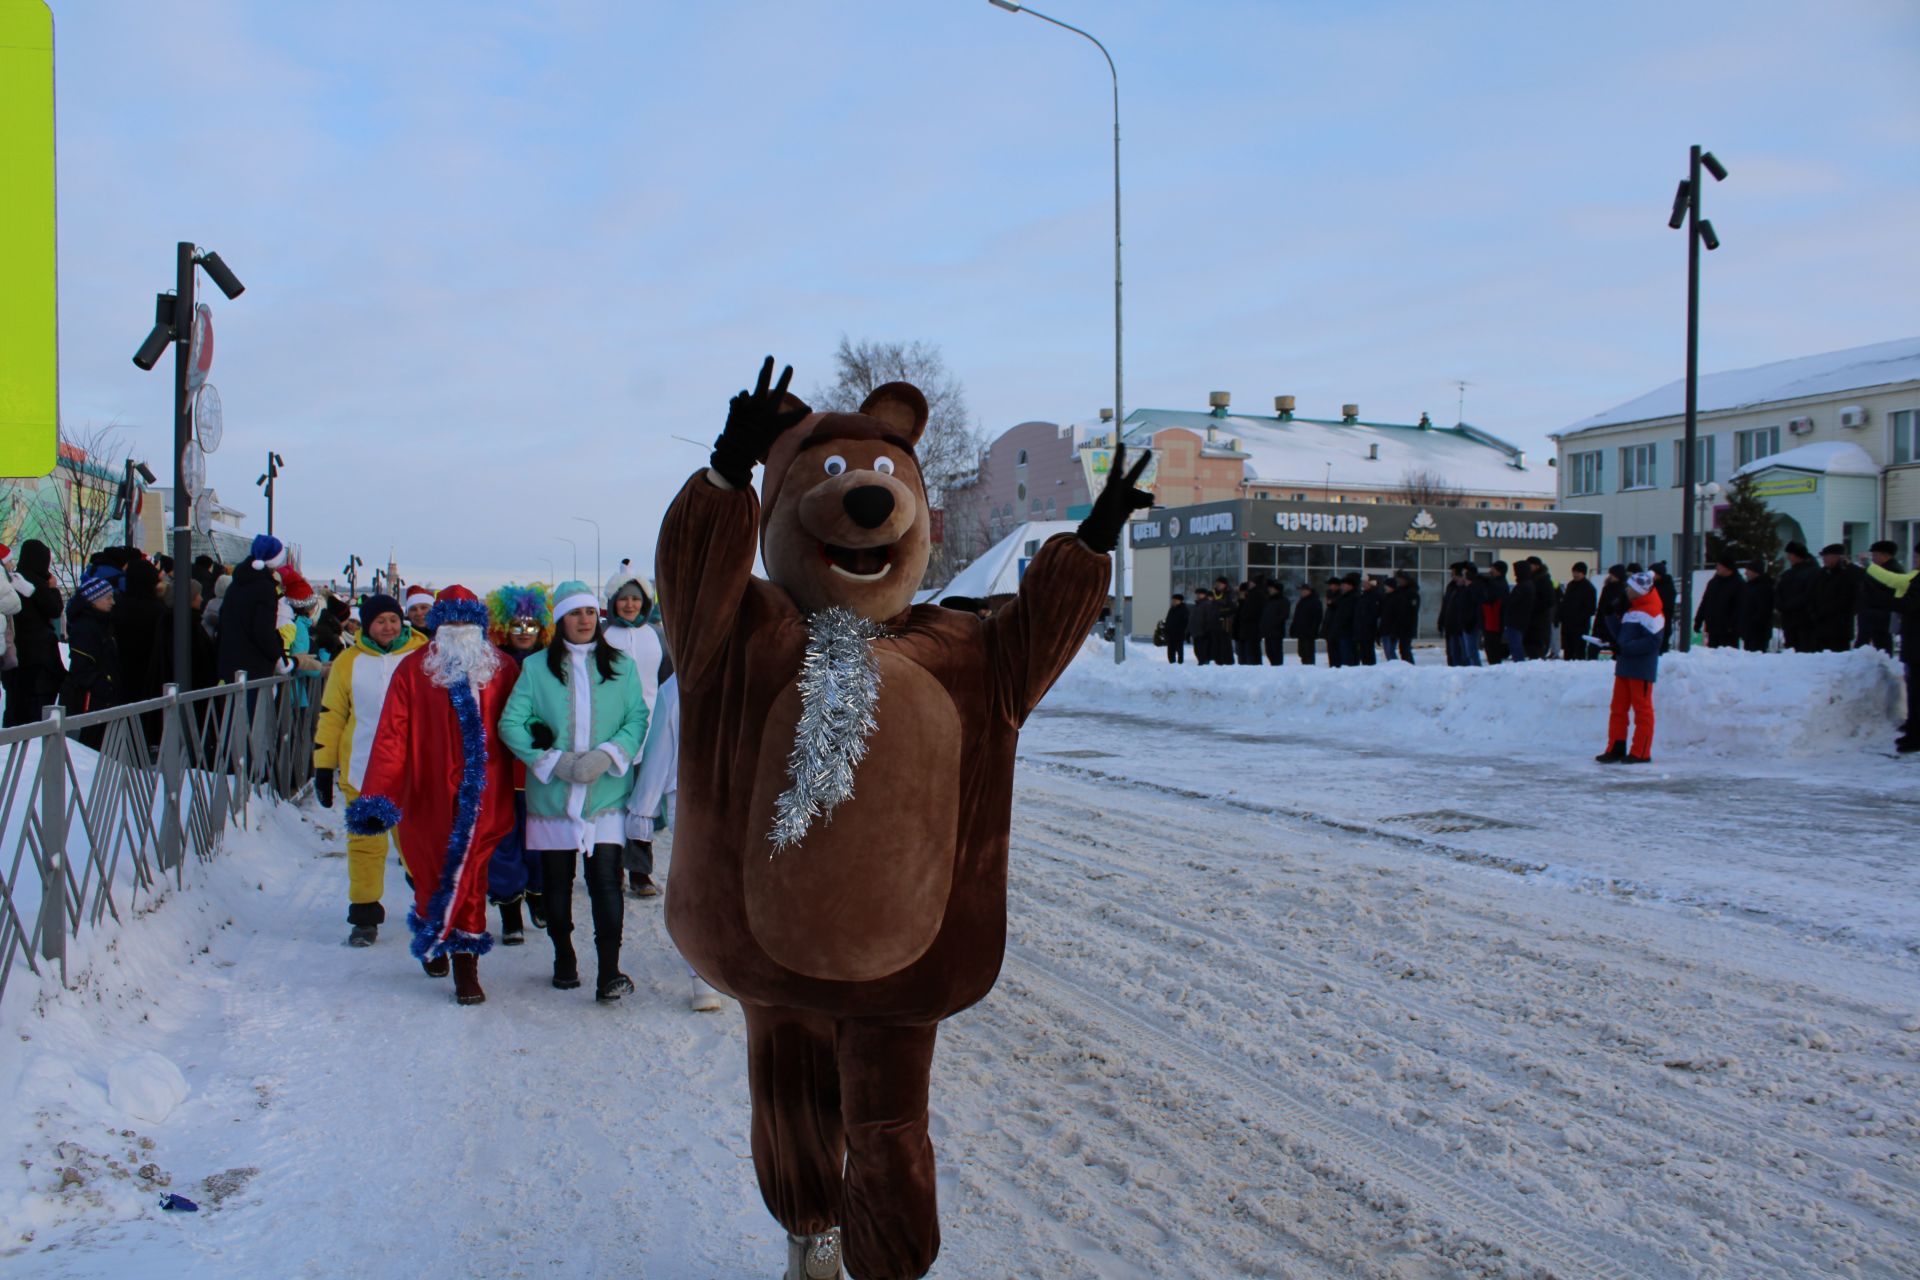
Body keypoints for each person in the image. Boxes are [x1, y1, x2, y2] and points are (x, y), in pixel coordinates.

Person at [345, 586, 522, 1005]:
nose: (459, 630)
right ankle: (433, 929)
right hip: (427, 794)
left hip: (484, 796)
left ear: (479, 625)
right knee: (429, 871)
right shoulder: (412, 670)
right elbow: (391, 735)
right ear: (438, 625)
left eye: (467, 621)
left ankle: (466, 966)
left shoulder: (502, 669)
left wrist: (534, 776)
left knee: (473, 876)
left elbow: (520, 724)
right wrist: (379, 796)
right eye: (451, 622)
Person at [498, 580, 651, 1003]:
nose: (583, 620)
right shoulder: (536, 669)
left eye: (588, 612)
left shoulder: (621, 665)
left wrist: (608, 754)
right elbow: (511, 724)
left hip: (605, 794)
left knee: (606, 881)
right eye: (573, 614)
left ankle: (609, 971)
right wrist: (554, 761)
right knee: (558, 883)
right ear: (560, 620)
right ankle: (564, 957)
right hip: (553, 796)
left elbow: (637, 718)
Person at [313, 593, 428, 947]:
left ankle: (428, 906)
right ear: (367, 624)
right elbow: (333, 715)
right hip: (363, 769)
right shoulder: (349, 662)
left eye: (393, 619)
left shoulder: (422, 655)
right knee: (365, 845)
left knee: (418, 843)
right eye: (380, 621)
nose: (388, 627)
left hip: (413, 770)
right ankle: (364, 915)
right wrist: (323, 766)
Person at [485, 582, 554, 942]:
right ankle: (509, 908)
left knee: (540, 835)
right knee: (503, 838)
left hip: (539, 767)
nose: (524, 632)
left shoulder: (552, 662)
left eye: (531, 624)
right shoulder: (491, 665)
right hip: (498, 765)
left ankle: (539, 898)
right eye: (517, 625)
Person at [602, 562, 666, 897]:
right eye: (624, 599)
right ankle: (611, 870)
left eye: (636, 599)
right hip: (610, 735)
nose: (630, 605)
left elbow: (667, 681)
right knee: (611, 807)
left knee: (643, 803)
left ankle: (640, 871)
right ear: (613, 601)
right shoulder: (603, 637)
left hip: (651, 733)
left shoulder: (654, 637)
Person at [1596, 570, 1663, 764]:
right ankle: (1616, 747)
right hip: (1625, 666)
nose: (1626, 590)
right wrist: (1610, 616)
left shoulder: (1652, 612)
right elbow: (1620, 636)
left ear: (1639, 590)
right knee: (1618, 708)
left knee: (1642, 710)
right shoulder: (1631, 609)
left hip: (1641, 669)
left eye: (1629, 588)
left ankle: (1641, 752)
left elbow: (1653, 642)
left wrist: (1624, 647)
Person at [1861, 539, 1918, 752]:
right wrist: (1871, 568)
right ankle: (1913, 727)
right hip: (1913, 641)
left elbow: (1909, 604)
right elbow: (1894, 580)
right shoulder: (1914, 577)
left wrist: (1881, 600)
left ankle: (1915, 735)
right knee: (1913, 686)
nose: (1915, 560)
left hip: (1916, 642)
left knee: (1916, 688)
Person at [2, 540, 63, 727]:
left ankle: (12, 748)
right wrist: (53, 588)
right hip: (38, 658)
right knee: (36, 712)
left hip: (15, 654)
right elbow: (54, 609)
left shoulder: (13, 580)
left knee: (15, 705)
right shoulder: (36, 582)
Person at [60, 570, 122, 749]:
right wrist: (103, 684)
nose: (113, 602)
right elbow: (82, 667)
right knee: (88, 748)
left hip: (101, 696)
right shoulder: (85, 627)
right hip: (89, 699)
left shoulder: (101, 622)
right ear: (94, 600)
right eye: (108, 598)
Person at [216, 534, 289, 683]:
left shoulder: (235, 585)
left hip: (230, 665)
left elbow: (223, 622)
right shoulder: (265, 588)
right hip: (254, 668)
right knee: (254, 705)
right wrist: (278, 658)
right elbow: (264, 631)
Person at [1811, 544, 1858, 653]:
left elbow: (1847, 599)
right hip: (1821, 625)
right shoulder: (1821, 574)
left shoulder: (1848, 573)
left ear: (1838, 557)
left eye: (1827, 556)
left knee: (1838, 657)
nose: (1824, 559)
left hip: (1839, 627)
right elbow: (1813, 593)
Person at [1857, 541, 1901, 655]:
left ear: (1886, 555)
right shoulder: (1881, 568)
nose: (1873, 558)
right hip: (1872, 612)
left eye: (1875, 555)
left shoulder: (1892, 570)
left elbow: (1881, 590)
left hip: (1881, 613)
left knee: (1882, 645)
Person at [1693, 556, 1744, 649]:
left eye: (1719, 565)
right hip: (1713, 629)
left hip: (1729, 633)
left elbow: (1740, 608)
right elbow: (1705, 603)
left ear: (1727, 567)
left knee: (1727, 658)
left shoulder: (1738, 584)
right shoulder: (1713, 582)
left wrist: (1732, 626)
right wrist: (1698, 620)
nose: (1717, 567)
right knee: (1713, 657)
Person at [1776, 542, 1819, 653]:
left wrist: (1788, 605)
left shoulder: (1813, 572)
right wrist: (1779, 604)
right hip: (1788, 619)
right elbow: (1779, 591)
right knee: (1791, 649)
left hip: (1804, 619)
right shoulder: (1788, 574)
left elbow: (1808, 595)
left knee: (1805, 650)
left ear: (1797, 555)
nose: (1788, 558)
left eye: (1790, 554)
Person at [1559, 562, 1597, 660]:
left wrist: (1578, 618)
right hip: (1567, 625)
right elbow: (1565, 603)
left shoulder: (1589, 588)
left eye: (1577, 572)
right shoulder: (1571, 585)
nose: (1575, 574)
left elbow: (1591, 609)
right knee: (1568, 651)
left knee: (1579, 651)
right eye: (1574, 572)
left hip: (1580, 626)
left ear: (1583, 573)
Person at [1738, 560, 1776, 653]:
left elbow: (1764, 610)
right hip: (1748, 631)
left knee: (1757, 657)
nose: (1746, 573)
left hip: (1759, 632)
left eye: (1748, 570)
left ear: (1755, 572)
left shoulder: (1764, 587)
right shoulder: (1748, 587)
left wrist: (1752, 623)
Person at [1525, 557, 1558, 659]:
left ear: (1536, 566)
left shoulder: (1543, 580)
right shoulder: (1530, 579)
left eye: (1529, 565)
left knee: (1537, 650)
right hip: (1531, 620)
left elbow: (1549, 600)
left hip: (1540, 621)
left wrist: (1533, 606)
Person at [1478, 562, 1509, 663]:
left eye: (1493, 569)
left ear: (1499, 571)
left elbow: (1489, 597)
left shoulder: (1499, 585)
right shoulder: (1497, 583)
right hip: (1490, 622)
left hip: (1494, 623)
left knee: (1493, 649)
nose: (1490, 571)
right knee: (1490, 648)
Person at [1504, 562, 1534, 662]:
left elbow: (1512, 601)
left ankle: (1519, 665)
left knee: (1516, 647)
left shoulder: (1523, 586)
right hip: (1521, 620)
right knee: (1516, 646)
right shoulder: (1528, 584)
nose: (1515, 574)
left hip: (1516, 621)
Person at [1352, 574, 1382, 667]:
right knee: (1363, 651)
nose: (1363, 585)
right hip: (1361, 629)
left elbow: (1375, 614)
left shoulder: (1375, 596)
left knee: (1368, 651)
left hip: (1369, 629)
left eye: (1365, 583)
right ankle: (1365, 667)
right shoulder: (1362, 596)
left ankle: (1370, 668)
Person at [1290, 581, 1322, 665]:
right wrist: (1293, 628)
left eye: (1304, 590)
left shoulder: (1315, 602)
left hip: (1309, 632)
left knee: (1308, 653)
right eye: (1302, 590)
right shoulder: (1301, 602)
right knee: (1302, 652)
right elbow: (1296, 617)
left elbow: (1317, 618)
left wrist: (1313, 630)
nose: (1302, 592)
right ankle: (1305, 666)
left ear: (1310, 591)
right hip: (1301, 632)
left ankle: (1309, 667)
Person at [1258, 580, 1289, 665]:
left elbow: (1284, 615)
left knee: (1276, 652)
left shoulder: (1283, 600)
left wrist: (1274, 623)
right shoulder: (1269, 600)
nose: (1269, 590)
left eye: (1271, 588)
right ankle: (1273, 666)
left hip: (1276, 632)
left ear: (1276, 590)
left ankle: (1278, 668)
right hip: (1268, 631)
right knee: (1269, 652)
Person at [1649, 561, 1677, 651]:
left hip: (1661, 622)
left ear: (1659, 574)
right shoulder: (1655, 585)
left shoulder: (1665, 588)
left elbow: (1665, 607)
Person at [1188, 587, 1219, 666]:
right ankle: (1202, 664)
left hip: (1203, 633)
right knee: (1197, 651)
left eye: (1200, 594)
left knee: (1203, 652)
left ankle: (1204, 665)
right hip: (1196, 633)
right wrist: (1189, 631)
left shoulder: (1207, 604)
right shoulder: (1196, 606)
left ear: (1204, 595)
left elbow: (1209, 619)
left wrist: (1207, 630)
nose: (1198, 595)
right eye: (1197, 594)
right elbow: (1192, 620)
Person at [1161, 592, 1188, 663]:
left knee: (1179, 650)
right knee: (1170, 650)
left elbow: (1185, 623)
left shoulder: (1184, 610)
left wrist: (1181, 632)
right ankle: (1171, 663)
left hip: (1179, 634)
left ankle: (1180, 663)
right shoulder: (1172, 609)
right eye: (1172, 600)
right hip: (1170, 634)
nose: (1173, 601)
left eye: (1175, 600)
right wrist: (1165, 629)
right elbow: (1168, 620)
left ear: (1180, 601)